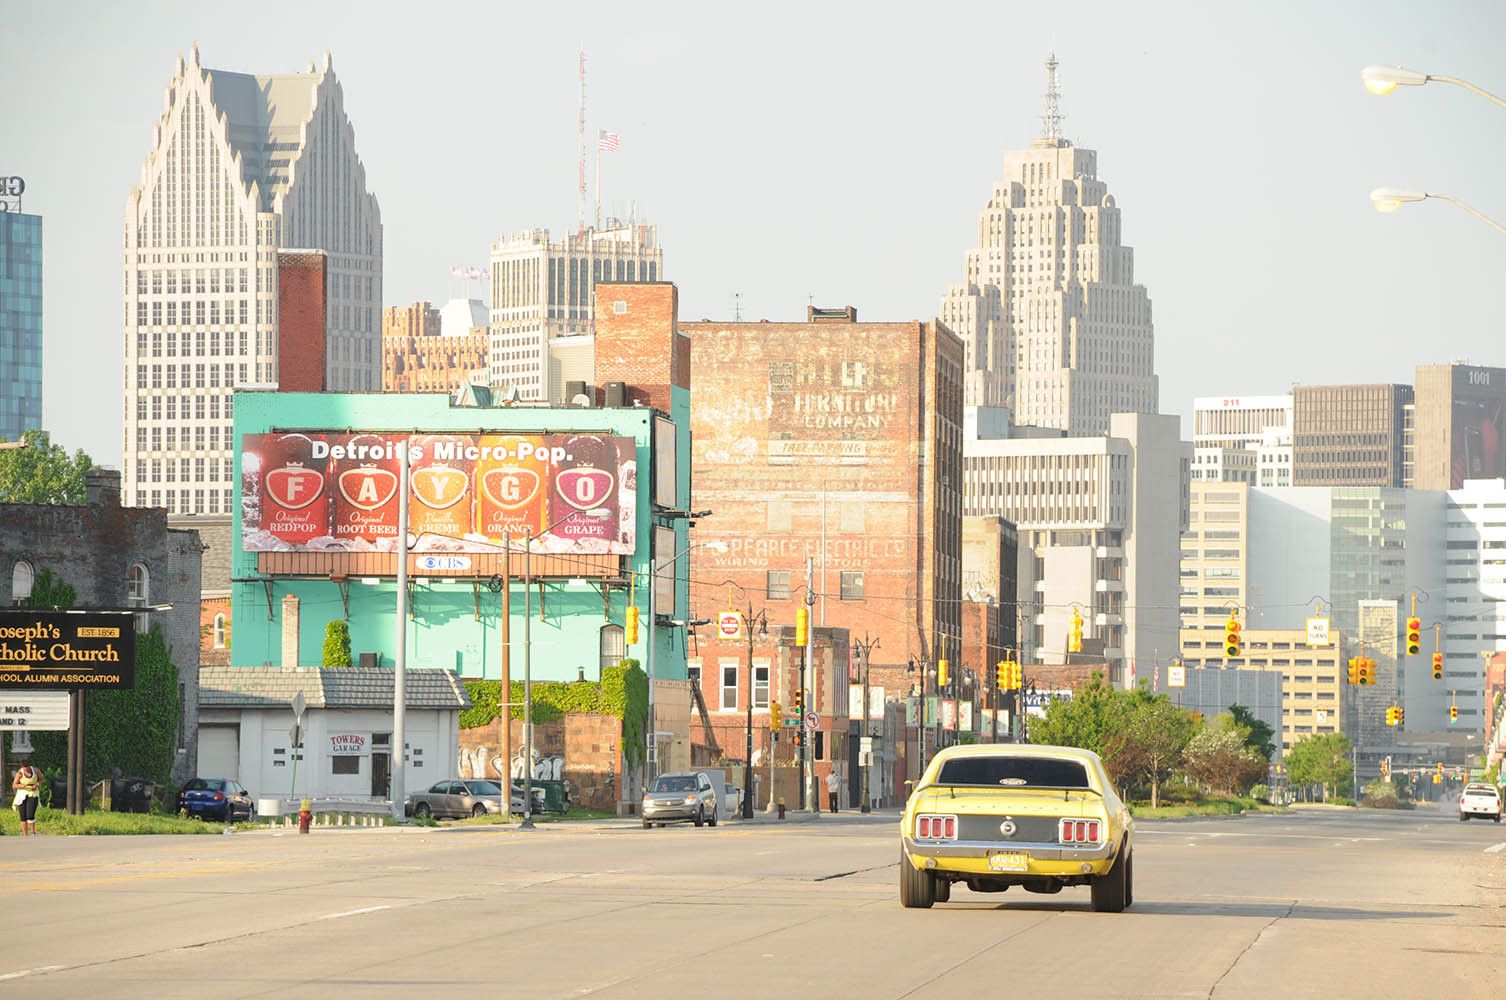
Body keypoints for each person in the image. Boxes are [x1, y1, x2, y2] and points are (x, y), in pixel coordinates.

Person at [12, 762, 42, 836]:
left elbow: (42, 779)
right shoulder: (19, 773)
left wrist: (37, 784)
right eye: (24, 768)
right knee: (23, 816)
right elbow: (14, 785)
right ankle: (25, 835)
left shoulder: (36, 770)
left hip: (33, 794)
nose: (25, 769)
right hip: (22, 795)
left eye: (26, 767)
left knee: (30, 814)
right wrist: (22, 786)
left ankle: (33, 832)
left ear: (29, 766)